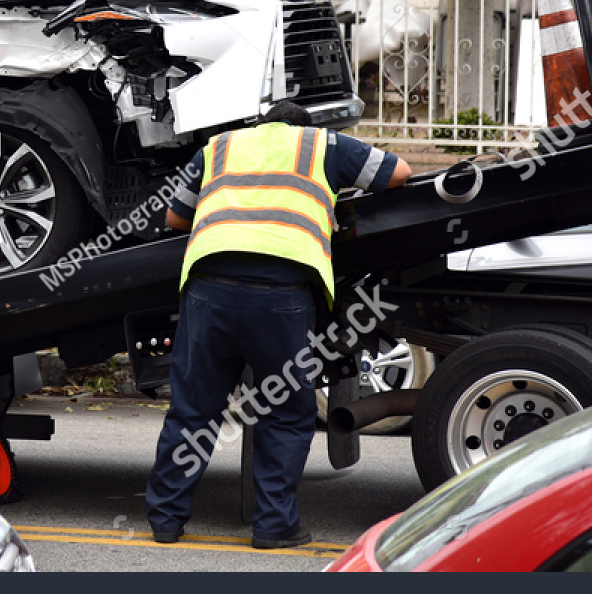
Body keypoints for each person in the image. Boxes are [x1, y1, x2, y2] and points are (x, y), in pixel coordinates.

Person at [144, 100, 410, 548]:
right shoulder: (322, 145)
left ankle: (166, 520)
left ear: (261, 126)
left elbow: (174, 218)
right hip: (282, 298)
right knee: (285, 414)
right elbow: (399, 173)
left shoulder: (220, 146)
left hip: (210, 292)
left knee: (193, 410)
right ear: (302, 127)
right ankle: (273, 526)